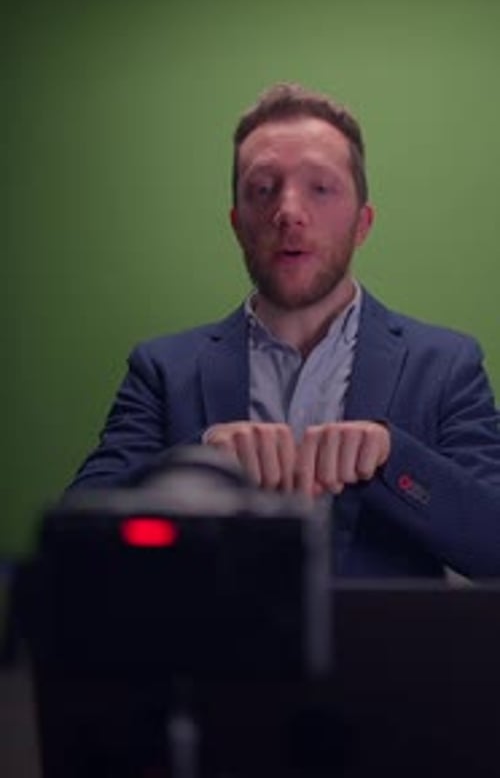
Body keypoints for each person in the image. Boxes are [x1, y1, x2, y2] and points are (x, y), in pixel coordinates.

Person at [69, 83, 500, 578]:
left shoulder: (446, 365)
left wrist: (393, 458)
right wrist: (198, 463)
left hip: (383, 655)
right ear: (237, 224)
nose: (288, 212)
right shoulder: (162, 370)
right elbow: (79, 540)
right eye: (263, 188)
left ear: (362, 223)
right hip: (207, 653)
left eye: (320, 187)